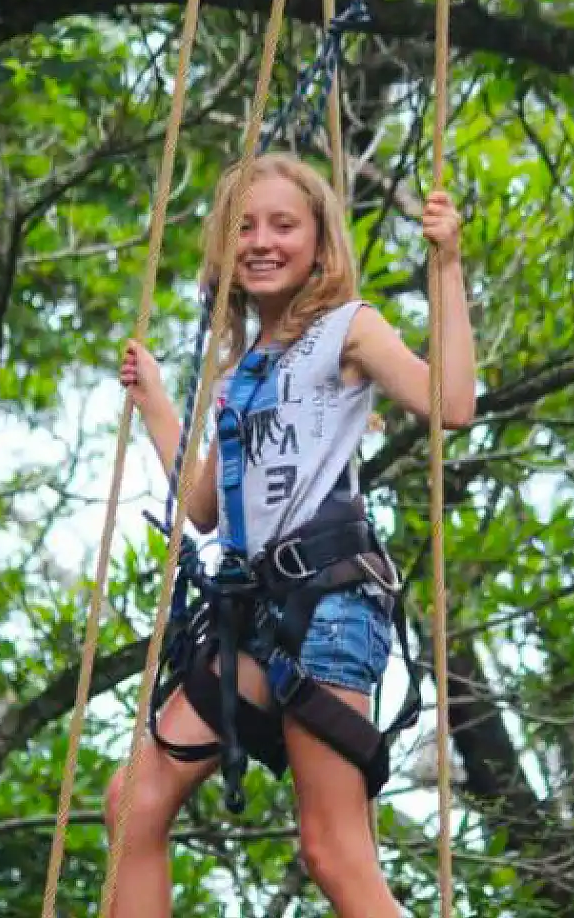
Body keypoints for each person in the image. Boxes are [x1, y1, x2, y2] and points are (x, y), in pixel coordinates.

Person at [106, 152, 476, 918]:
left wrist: (446, 264)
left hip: (328, 600)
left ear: (318, 245)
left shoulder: (350, 327)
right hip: (257, 615)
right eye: (243, 228)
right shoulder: (243, 371)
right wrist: (157, 407)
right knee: (134, 802)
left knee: (332, 848)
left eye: (283, 225)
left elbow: (452, 402)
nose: (261, 241)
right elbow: (204, 508)